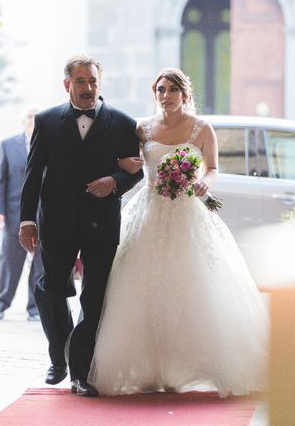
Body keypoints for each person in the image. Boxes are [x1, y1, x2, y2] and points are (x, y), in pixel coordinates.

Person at [87, 67, 269, 397]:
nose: (166, 96)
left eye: (172, 90)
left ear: (185, 94)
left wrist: (203, 182)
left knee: (191, 288)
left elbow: (212, 168)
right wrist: (121, 167)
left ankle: (189, 368)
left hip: (187, 212)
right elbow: (130, 163)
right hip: (149, 210)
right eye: (160, 90)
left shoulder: (202, 128)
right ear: (154, 94)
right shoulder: (141, 128)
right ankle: (147, 370)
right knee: (141, 289)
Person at [19, 55, 143, 397]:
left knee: (94, 298)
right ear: (67, 84)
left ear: (99, 84)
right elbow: (32, 176)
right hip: (57, 222)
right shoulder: (46, 121)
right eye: (81, 82)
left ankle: (79, 372)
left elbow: (137, 171)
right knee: (48, 290)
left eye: (93, 82)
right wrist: (27, 219)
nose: (88, 88)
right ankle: (59, 354)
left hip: (101, 223)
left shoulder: (122, 123)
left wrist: (113, 182)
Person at [0, 109, 43, 321]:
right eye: (29, 116)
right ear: (23, 120)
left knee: (40, 263)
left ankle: (34, 307)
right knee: (10, 261)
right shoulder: (7, 145)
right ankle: (1, 304)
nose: (32, 119)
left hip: (43, 214)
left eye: (36, 116)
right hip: (14, 213)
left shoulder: (48, 144)